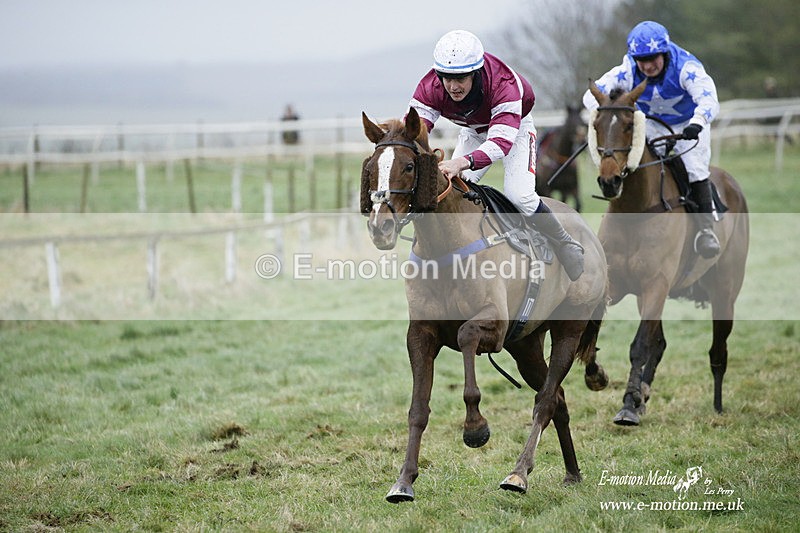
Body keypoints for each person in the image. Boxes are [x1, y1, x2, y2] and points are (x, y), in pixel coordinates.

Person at [409, 30, 584, 280]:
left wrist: (461, 162)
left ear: (476, 72)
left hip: (515, 130)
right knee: (449, 190)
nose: (453, 86)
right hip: (473, 131)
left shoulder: (503, 84)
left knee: (519, 196)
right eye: (447, 78)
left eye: (460, 78)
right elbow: (414, 130)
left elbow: (500, 143)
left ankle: (564, 243)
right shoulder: (430, 86)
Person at [583, 20, 721, 258]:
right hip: (650, 124)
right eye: (641, 60)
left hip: (688, 125)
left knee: (695, 169)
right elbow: (591, 96)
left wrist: (697, 123)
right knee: (630, 161)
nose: (647, 66)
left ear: (665, 53)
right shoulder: (628, 68)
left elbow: (709, 101)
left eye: (653, 59)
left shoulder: (686, 67)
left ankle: (705, 230)